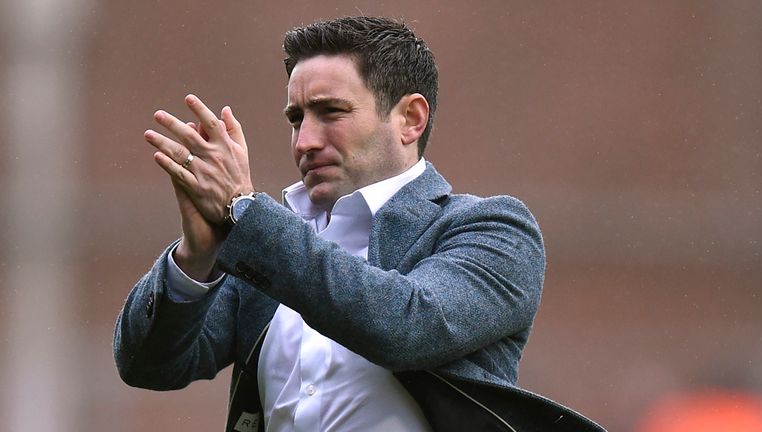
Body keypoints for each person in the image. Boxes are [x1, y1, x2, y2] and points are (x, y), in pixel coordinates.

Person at [114, 16, 605, 432]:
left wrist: (246, 211)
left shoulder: (493, 229)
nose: (304, 141)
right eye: (295, 118)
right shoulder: (267, 242)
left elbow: (406, 327)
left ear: (410, 119)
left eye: (331, 112)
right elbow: (150, 366)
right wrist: (196, 258)